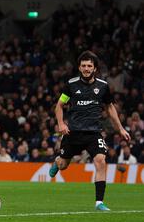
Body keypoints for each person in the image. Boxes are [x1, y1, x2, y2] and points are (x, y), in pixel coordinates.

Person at [49, 51, 130, 211]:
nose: (86, 68)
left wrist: (120, 128)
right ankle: (58, 161)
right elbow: (59, 105)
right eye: (84, 65)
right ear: (79, 67)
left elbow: (110, 107)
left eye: (89, 66)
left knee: (100, 161)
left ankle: (99, 202)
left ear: (95, 68)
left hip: (93, 133)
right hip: (73, 133)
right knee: (64, 165)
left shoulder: (103, 86)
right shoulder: (71, 84)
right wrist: (61, 123)